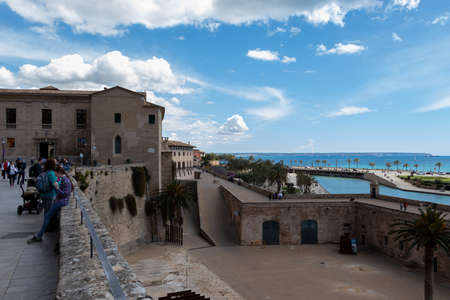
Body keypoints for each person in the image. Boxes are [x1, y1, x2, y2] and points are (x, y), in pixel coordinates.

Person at [28, 166, 72, 243]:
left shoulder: (66, 181)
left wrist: (56, 189)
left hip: (62, 201)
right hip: (59, 201)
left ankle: (39, 235)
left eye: (56, 174)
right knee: (48, 216)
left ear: (59, 173)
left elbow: (65, 194)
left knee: (47, 216)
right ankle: (40, 234)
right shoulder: (63, 179)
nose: (55, 176)